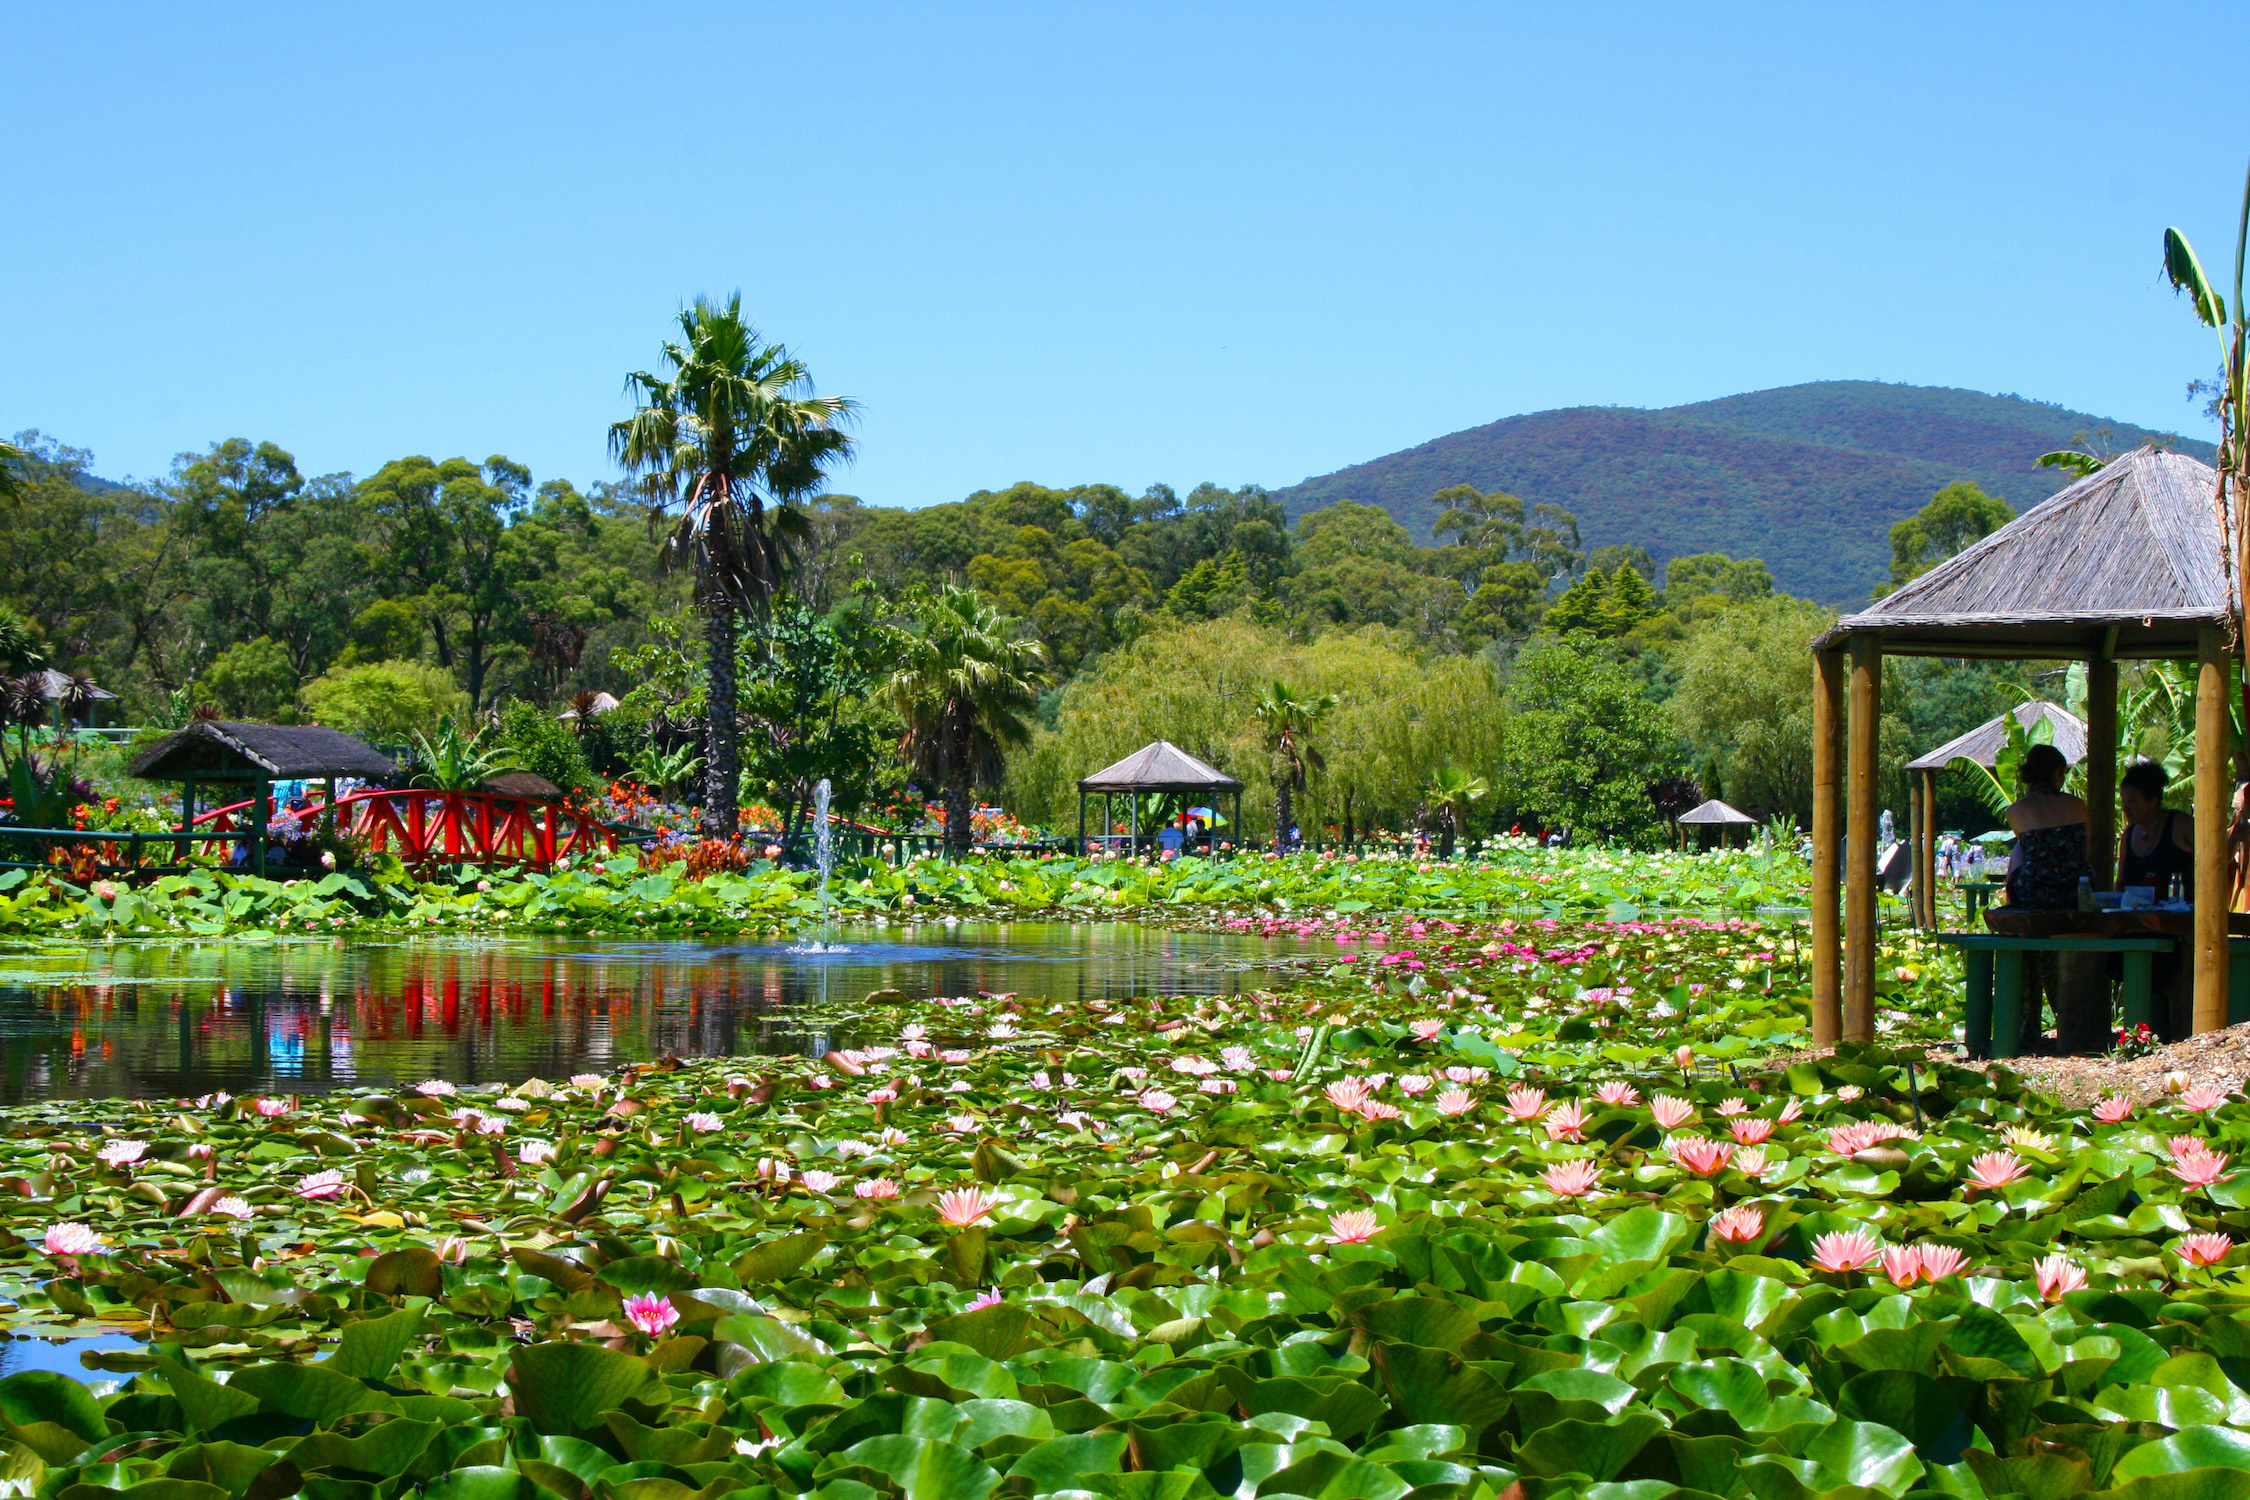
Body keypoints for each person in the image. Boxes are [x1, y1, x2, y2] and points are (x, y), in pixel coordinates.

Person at [2003, 744, 2091, 909]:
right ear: (2058, 773)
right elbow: (2086, 851)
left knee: (2018, 849)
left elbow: (2027, 850)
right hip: (2077, 889)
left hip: (2034, 891)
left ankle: (2013, 913)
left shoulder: (2016, 810)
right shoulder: (2077, 805)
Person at [2118, 760, 2193, 901]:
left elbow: (2214, 859)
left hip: (2181, 917)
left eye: (2132, 801)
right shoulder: (2128, 834)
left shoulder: (2181, 824)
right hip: (2136, 918)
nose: (2125, 808)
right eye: (2123, 801)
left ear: (2152, 801)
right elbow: (2121, 884)